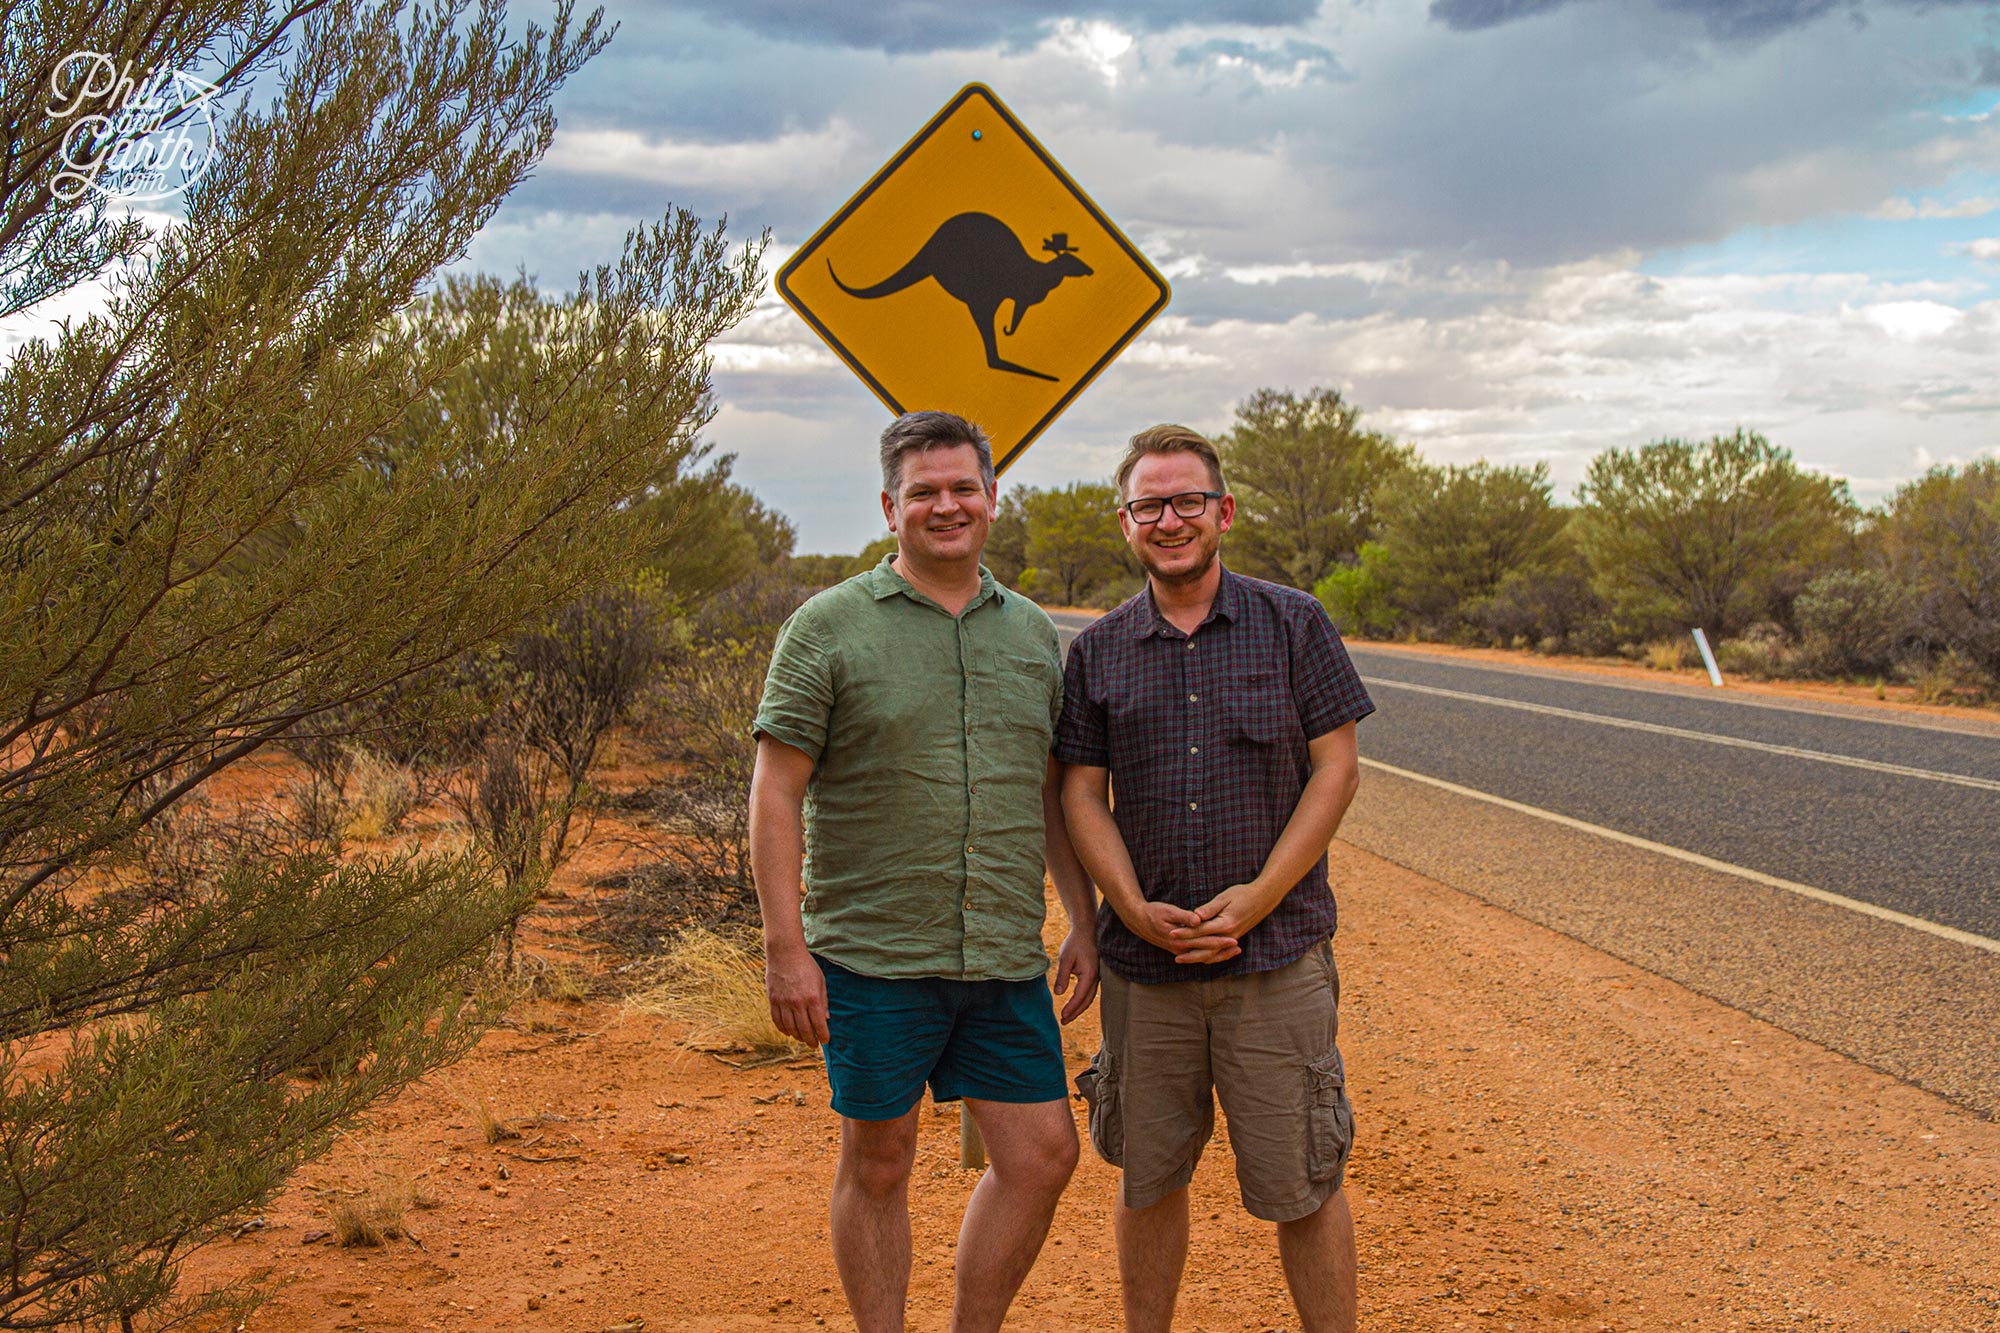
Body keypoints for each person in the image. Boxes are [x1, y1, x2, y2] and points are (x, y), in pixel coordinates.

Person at [748, 410, 1100, 1333]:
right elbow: (776, 791)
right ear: (888, 506)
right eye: (923, 492)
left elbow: (1051, 791)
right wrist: (786, 947)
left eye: (962, 488)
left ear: (992, 497)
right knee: (879, 1159)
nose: (946, 505)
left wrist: (1085, 919)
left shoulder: (1031, 634)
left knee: (1041, 1154)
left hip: (999, 954)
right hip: (872, 955)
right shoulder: (826, 628)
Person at [1056, 423, 1375, 1333]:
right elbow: (1080, 791)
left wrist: (1261, 894)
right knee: (1148, 1179)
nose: (1170, 519)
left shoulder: (1294, 622)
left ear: (1222, 511)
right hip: (1145, 972)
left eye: (1187, 500)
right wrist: (1127, 907)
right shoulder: (1099, 651)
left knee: (1305, 1179)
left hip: (1273, 960)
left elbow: (1337, 769)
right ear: (1125, 522)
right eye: (1149, 504)